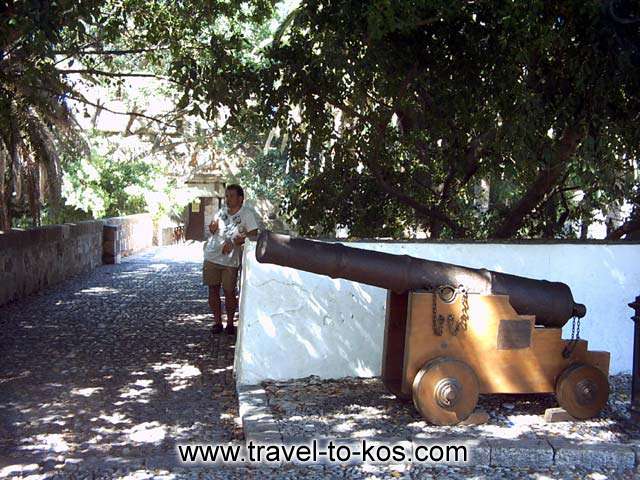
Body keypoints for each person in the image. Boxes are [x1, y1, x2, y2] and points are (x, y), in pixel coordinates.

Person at [203, 184, 259, 335]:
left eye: (231, 196)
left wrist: (236, 242)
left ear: (240, 198)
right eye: (226, 196)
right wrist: (212, 228)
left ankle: (229, 323)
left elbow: (254, 235)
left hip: (230, 261)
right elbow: (213, 228)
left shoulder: (247, 214)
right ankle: (217, 322)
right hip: (212, 256)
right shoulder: (221, 212)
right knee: (213, 289)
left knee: (229, 291)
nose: (228, 199)